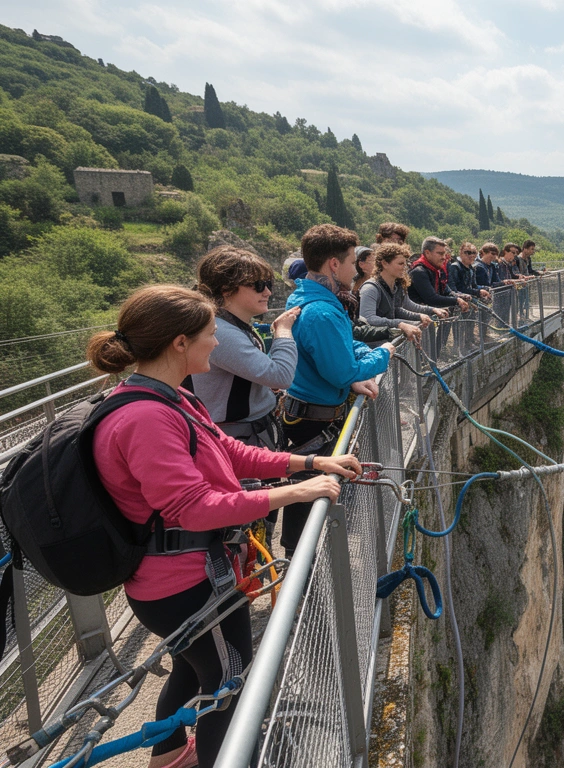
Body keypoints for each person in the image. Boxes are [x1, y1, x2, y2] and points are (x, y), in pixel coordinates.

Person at [88, 284, 361, 768]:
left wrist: (308, 462)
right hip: (183, 584)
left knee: (194, 670)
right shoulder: (147, 418)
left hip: (190, 575)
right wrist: (294, 492)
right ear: (180, 343)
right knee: (230, 684)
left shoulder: (170, 397)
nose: (217, 343)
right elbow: (193, 508)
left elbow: (230, 452)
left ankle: (170, 756)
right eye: (210, 334)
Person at [283, 224, 393, 554]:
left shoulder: (310, 299)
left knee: (311, 493)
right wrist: (382, 355)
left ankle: (302, 556)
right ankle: (302, 562)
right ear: (334, 264)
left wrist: (359, 357)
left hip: (308, 413)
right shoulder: (322, 312)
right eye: (350, 261)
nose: (356, 269)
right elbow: (343, 370)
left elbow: (344, 345)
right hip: (315, 420)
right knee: (310, 497)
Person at [190, 246, 298, 450]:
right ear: (226, 289)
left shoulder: (229, 325)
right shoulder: (221, 332)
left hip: (246, 432)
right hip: (238, 437)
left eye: (268, 284)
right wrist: (283, 332)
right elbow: (281, 376)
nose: (267, 292)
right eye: (258, 285)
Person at [360, 242, 450, 346]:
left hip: (389, 345)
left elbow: (404, 306)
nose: (405, 267)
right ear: (384, 263)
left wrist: (428, 312)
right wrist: (400, 324)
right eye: (400, 264)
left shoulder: (397, 285)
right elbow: (369, 318)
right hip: (371, 348)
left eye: (405, 263)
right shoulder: (371, 288)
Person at [409, 236, 470, 312]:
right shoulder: (419, 272)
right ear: (427, 253)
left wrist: (461, 296)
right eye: (440, 254)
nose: (444, 257)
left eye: (444, 254)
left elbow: (446, 291)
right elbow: (432, 299)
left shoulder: (436, 270)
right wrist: (456, 300)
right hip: (417, 316)